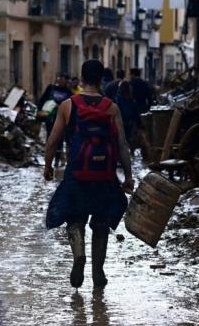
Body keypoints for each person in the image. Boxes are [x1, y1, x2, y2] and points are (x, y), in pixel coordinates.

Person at [44, 60, 134, 289]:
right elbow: (122, 144)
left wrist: (48, 166)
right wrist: (129, 176)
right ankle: (98, 272)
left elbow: (52, 141)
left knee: (74, 219)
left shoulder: (67, 105)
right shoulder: (111, 107)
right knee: (101, 223)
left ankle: (78, 255)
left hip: (76, 174)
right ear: (101, 78)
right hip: (104, 175)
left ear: (82, 78)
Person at [37, 74, 73, 165]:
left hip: (62, 119)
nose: (60, 80)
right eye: (59, 78)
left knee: (60, 139)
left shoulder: (69, 93)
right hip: (50, 118)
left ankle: (57, 159)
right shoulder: (51, 88)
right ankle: (48, 159)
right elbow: (43, 99)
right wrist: (39, 110)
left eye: (63, 79)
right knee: (50, 137)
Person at [113, 80, 139, 150]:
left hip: (121, 121)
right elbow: (135, 112)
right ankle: (131, 151)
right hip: (130, 121)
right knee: (130, 137)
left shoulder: (117, 98)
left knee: (122, 138)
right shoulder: (131, 99)